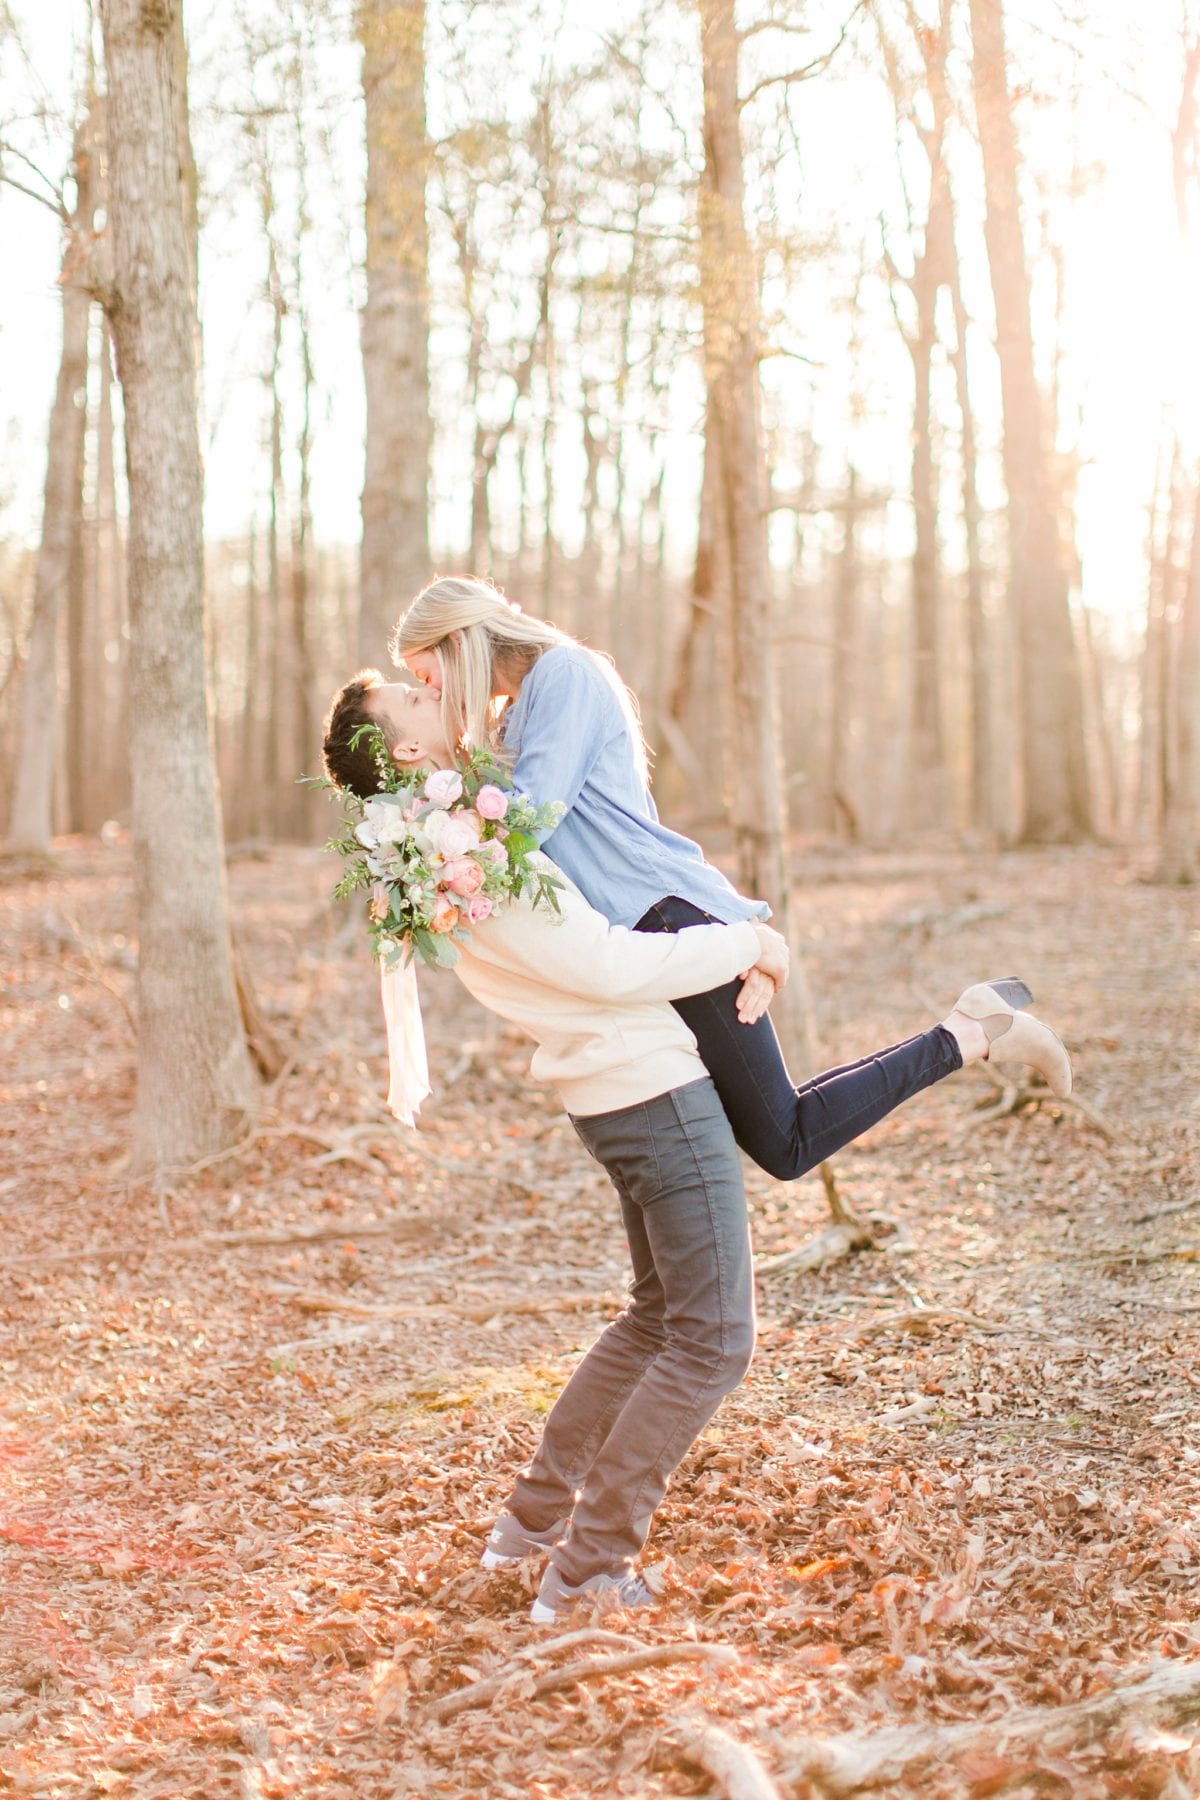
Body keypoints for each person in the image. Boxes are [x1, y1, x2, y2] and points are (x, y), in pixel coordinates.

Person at [321, 671, 1072, 1622]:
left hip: (614, 1093)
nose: (439, 694)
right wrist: (745, 943)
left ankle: (528, 1533)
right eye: (416, 703)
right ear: (410, 756)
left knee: (652, 1319)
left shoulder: (448, 859)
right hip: (651, 1089)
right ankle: (590, 1568)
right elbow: (602, 963)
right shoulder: (469, 861)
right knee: (714, 1339)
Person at [390, 576, 1072, 1184]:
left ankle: (972, 1032)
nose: (433, 693)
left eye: (427, 675)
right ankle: (971, 1030)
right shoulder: (517, 713)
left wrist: (435, 834)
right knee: (778, 1123)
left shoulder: (562, 675)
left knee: (787, 1140)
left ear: (458, 642)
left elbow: (528, 823)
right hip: (648, 928)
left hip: (669, 914)